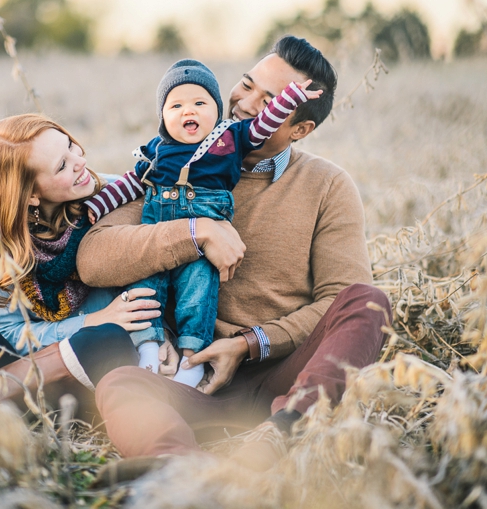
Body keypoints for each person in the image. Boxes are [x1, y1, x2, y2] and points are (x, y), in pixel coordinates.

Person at [77, 36, 393, 475]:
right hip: (191, 378)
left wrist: (248, 345)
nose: (244, 104)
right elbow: (93, 257)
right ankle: (185, 472)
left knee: (368, 301)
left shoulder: (328, 186)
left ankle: (276, 439)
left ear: (299, 128)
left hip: (280, 378)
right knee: (120, 384)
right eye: (246, 84)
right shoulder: (174, 164)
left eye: (270, 101)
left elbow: (336, 297)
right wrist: (196, 231)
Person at [0, 114, 173, 414]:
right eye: (62, 166)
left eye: (70, 147)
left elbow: (164, 269)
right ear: (30, 195)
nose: (79, 161)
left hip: (104, 375)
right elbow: (13, 334)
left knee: (106, 337)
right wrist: (91, 320)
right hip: (34, 372)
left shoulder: (114, 196)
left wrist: (165, 336)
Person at [84, 59, 319, 387]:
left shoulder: (230, 138)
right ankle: (148, 350)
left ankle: (193, 359)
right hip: (159, 223)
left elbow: (261, 127)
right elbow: (129, 184)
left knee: (198, 291)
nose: (187, 111)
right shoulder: (159, 150)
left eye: (199, 103)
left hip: (256, 365)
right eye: (176, 105)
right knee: (144, 288)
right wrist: (98, 204)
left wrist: (289, 98)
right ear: (163, 116)